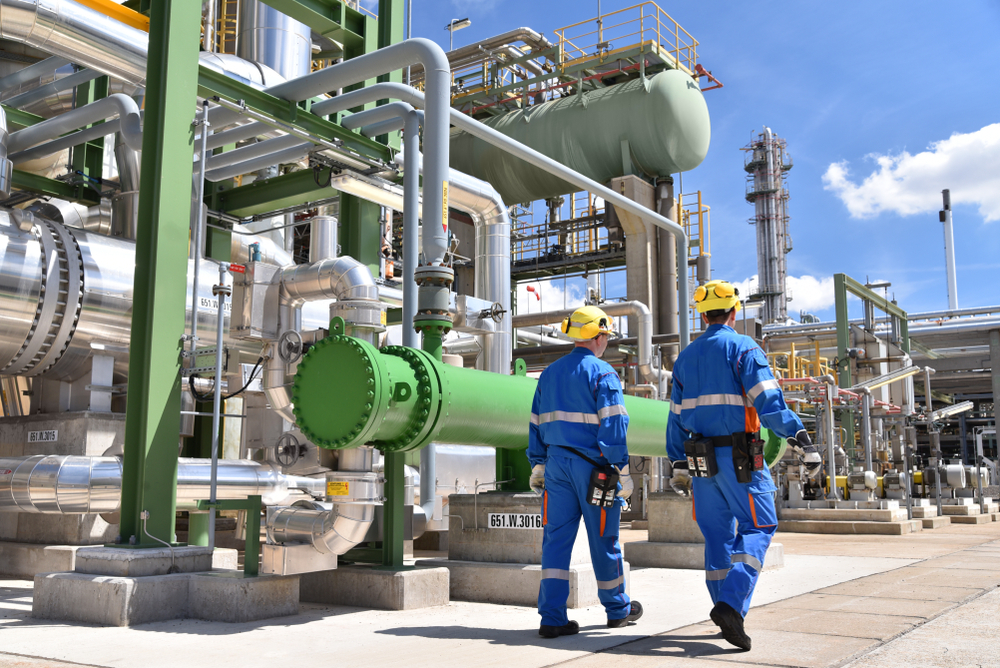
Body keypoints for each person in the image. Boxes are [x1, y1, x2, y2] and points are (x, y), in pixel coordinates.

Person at [666, 280, 820, 651]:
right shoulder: (743, 348)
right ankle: (731, 605)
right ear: (735, 311)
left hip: (700, 462)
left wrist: (677, 462)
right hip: (741, 460)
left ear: (702, 315)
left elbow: (674, 418)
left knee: (717, 538)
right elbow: (768, 402)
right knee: (760, 524)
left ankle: (725, 613)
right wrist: (801, 439)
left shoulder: (685, 357)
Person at [528, 305, 643, 638]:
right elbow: (614, 425)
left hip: (556, 468)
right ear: (599, 335)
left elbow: (535, 421)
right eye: (606, 335)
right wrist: (622, 470)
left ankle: (551, 617)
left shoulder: (549, 374)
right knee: (604, 540)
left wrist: (538, 463)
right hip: (595, 470)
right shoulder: (603, 373)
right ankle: (618, 610)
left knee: (555, 542)